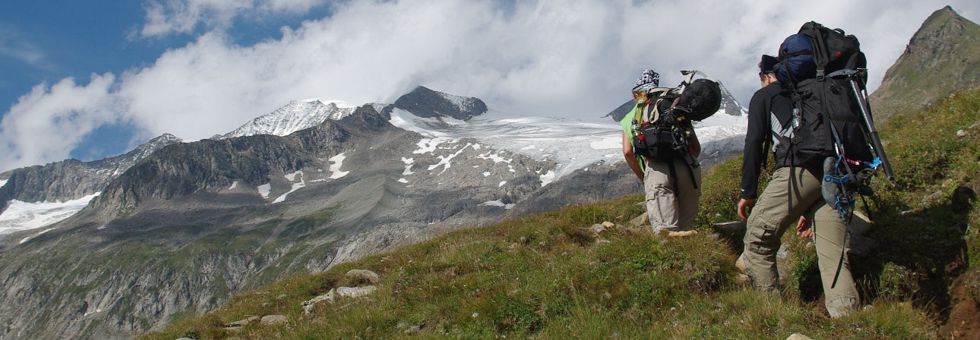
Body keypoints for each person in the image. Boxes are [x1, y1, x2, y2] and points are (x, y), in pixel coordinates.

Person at [736, 55, 860, 318]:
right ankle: (850, 320)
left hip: (799, 171)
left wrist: (748, 192)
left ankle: (774, 319)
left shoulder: (766, 95)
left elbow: (754, 142)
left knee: (758, 238)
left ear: (765, 77)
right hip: (837, 171)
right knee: (833, 253)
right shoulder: (817, 91)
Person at [621, 69, 701, 233]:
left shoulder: (631, 116)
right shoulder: (673, 106)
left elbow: (628, 152)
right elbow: (695, 148)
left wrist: (644, 177)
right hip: (687, 169)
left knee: (666, 232)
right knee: (687, 228)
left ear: (637, 93)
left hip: (657, 170)